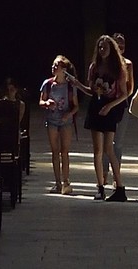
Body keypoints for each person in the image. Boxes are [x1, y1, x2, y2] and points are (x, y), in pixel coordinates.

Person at [85, 32, 130, 200]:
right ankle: (100, 186)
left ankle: (120, 187)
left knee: (109, 149)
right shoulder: (94, 67)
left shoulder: (118, 68)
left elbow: (124, 94)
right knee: (97, 150)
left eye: (106, 47)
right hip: (96, 106)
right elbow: (91, 90)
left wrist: (110, 106)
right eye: (100, 47)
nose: (102, 50)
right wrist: (78, 85)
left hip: (110, 107)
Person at [40, 54, 81, 194]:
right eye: (53, 65)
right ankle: (57, 182)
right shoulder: (48, 84)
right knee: (55, 151)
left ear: (64, 69)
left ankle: (66, 181)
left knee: (65, 151)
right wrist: (47, 104)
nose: (53, 67)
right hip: (52, 120)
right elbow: (41, 101)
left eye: (56, 65)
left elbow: (76, 106)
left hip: (66, 121)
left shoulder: (70, 87)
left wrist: (69, 114)